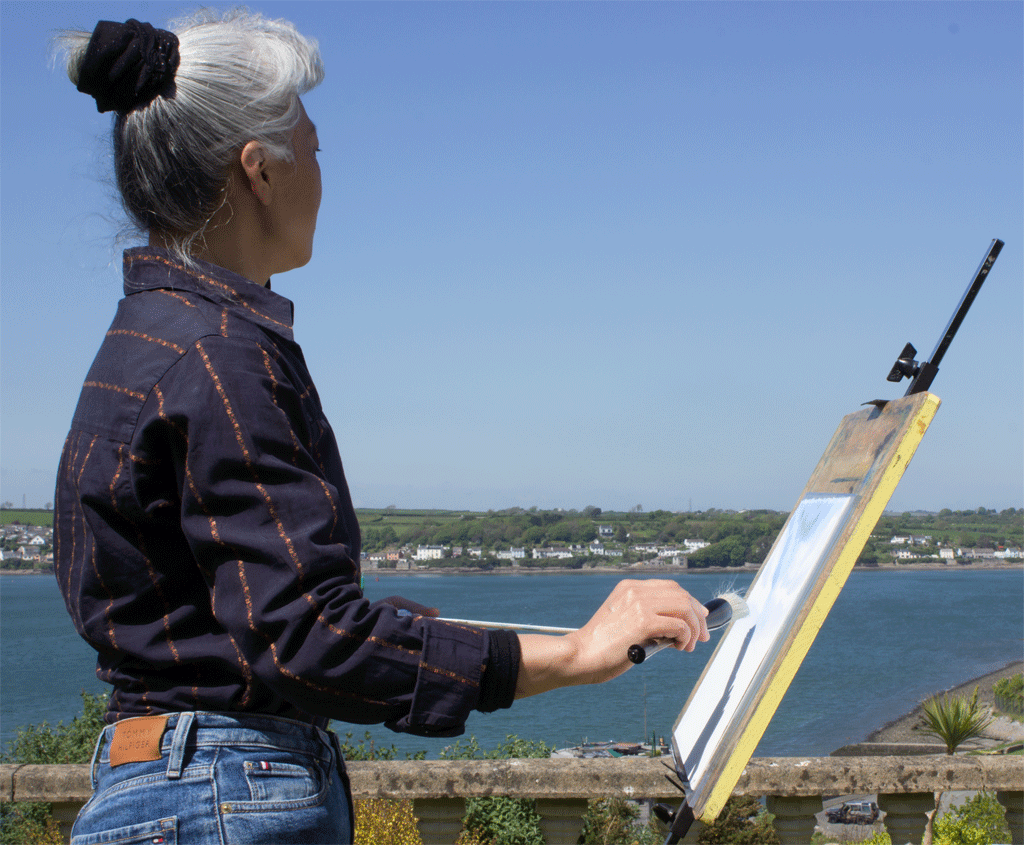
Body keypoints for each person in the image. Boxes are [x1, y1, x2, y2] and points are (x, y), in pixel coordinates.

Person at [53, 10, 711, 844]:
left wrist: (393, 632)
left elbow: (204, 617)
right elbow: (309, 640)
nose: (323, 173)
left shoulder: (146, 340)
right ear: (259, 170)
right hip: (225, 788)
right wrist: (577, 653)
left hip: (163, 777)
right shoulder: (222, 354)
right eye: (314, 147)